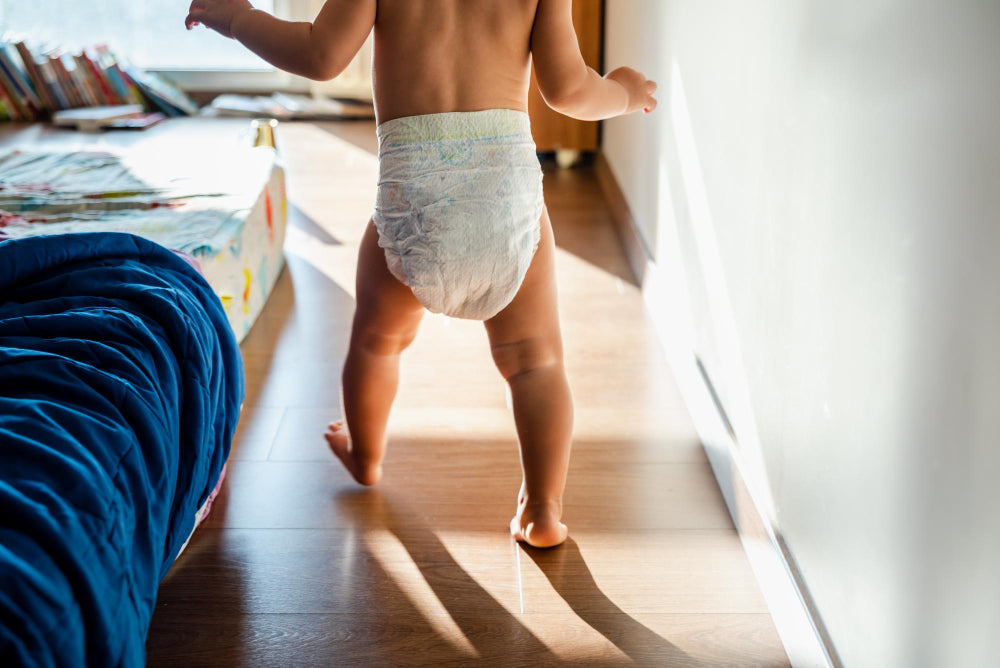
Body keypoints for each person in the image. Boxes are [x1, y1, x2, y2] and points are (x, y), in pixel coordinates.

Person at [185, 0, 656, 548]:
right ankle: (543, 509)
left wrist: (236, 17)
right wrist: (623, 92)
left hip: (416, 199)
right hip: (505, 199)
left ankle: (366, 453)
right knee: (535, 362)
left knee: (376, 342)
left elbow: (320, 55)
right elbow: (568, 91)